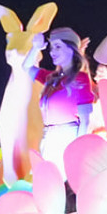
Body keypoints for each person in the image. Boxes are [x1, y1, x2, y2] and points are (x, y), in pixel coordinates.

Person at [32, 26, 97, 163]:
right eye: (51, 48)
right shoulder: (51, 78)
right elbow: (26, 68)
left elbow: (85, 120)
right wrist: (36, 48)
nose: (52, 52)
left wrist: (78, 150)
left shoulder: (80, 78)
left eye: (57, 47)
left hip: (67, 138)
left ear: (71, 49)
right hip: (48, 139)